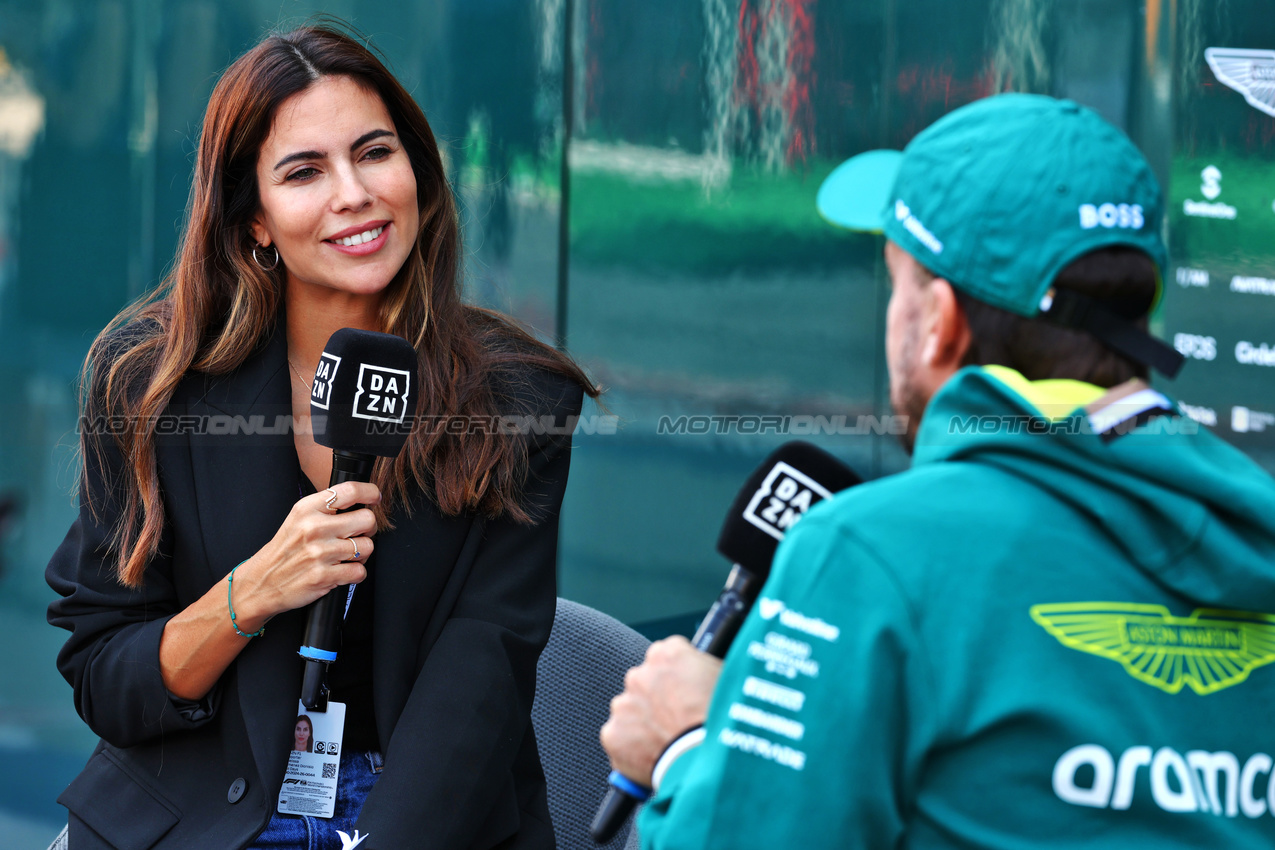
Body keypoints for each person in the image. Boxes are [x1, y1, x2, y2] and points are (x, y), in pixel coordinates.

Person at [600, 94, 1275, 848]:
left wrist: (688, 748)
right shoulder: (1251, 538)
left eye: (898, 284)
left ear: (939, 324)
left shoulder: (868, 555)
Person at [47, 23, 596, 850]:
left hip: (415, 817)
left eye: (374, 153)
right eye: (304, 171)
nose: (353, 193)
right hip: (195, 814)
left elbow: (477, 687)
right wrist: (256, 589)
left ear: (415, 170)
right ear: (254, 221)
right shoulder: (151, 384)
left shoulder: (519, 399)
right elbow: (107, 677)